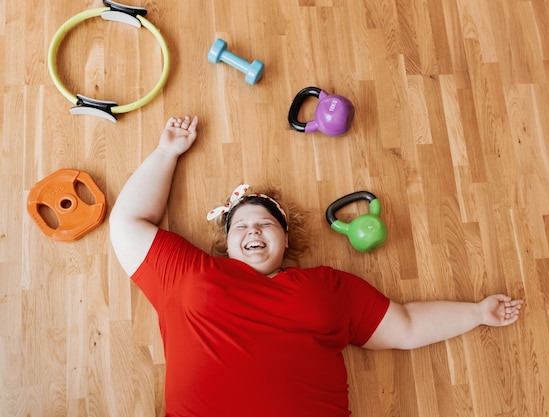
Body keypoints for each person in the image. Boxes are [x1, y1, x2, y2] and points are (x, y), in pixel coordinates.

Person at [110, 115, 524, 417]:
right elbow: (128, 222)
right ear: (227, 241)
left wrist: (477, 313)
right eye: (242, 225)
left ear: (285, 238)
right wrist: (167, 152)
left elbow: (407, 325)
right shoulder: (189, 273)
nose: (253, 229)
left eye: (266, 223)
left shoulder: (326, 285)